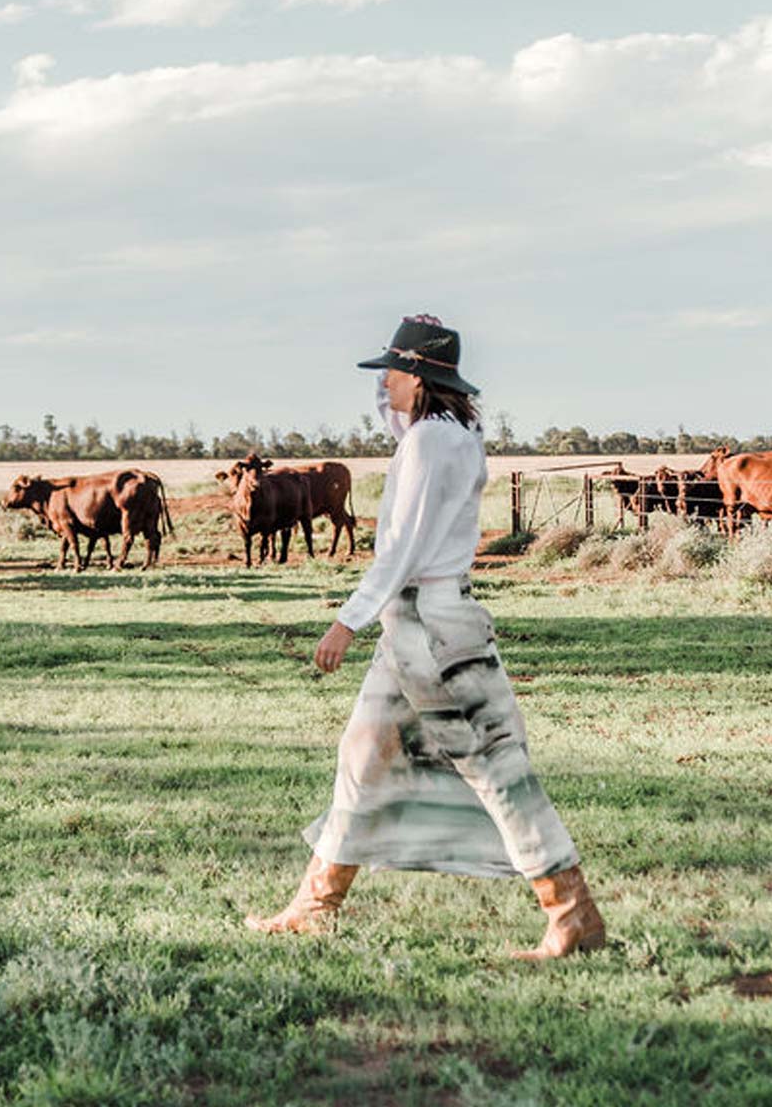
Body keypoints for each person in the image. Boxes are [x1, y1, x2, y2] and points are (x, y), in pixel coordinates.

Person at [244, 315, 605, 960]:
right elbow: (395, 417)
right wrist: (408, 369)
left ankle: (572, 914)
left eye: (394, 371)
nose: (383, 383)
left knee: (495, 770)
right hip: (412, 626)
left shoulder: (430, 444)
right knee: (362, 757)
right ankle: (314, 906)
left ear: (419, 376)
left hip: (431, 629)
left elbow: (402, 546)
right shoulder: (454, 432)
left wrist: (346, 619)